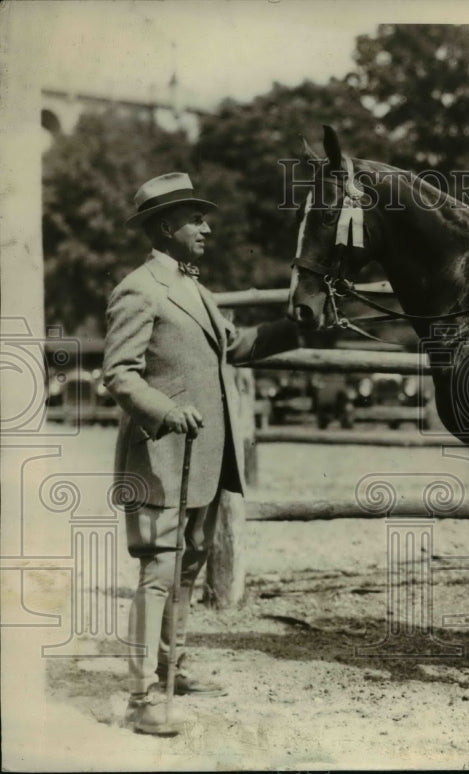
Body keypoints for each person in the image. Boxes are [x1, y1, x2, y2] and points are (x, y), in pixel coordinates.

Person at [104, 172, 301, 735]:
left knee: (188, 568)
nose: (207, 229)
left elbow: (235, 346)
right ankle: (143, 696)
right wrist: (165, 411)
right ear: (167, 226)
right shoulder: (139, 289)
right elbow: (118, 372)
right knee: (158, 572)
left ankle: (175, 665)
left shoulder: (196, 290)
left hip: (204, 459)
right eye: (197, 219)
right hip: (159, 457)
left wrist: (298, 327)